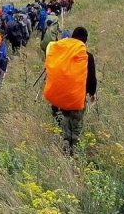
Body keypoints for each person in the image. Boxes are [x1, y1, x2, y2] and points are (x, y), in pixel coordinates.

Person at [42, 26, 97, 155]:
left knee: (64, 119)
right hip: (77, 97)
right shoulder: (87, 56)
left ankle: (65, 141)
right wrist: (92, 93)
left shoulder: (61, 52)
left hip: (60, 97)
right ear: (85, 41)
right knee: (76, 123)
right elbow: (91, 79)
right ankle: (73, 148)